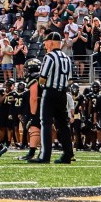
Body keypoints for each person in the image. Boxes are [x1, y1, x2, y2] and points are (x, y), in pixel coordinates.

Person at [28, 32, 74, 165]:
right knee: (63, 125)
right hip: (63, 94)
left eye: (46, 42)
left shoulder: (49, 57)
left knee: (46, 123)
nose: (44, 44)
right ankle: (68, 154)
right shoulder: (66, 57)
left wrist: (43, 85)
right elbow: (70, 80)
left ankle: (45, 155)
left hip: (50, 93)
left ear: (52, 42)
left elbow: (42, 77)